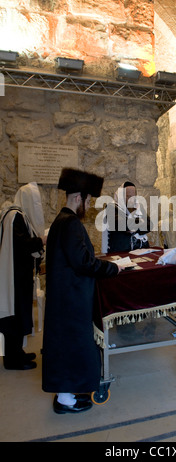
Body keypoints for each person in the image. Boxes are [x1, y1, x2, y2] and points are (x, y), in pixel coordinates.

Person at [42, 168, 121, 414]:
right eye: (88, 201)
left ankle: (66, 395)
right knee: (71, 347)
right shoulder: (71, 223)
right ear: (79, 198)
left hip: (64, 296)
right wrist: (112, 268)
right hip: (71, 299)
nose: (88, 205)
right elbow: (83, 263)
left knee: (65, 346)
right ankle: (65, 401)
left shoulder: (60, 221)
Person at [0, 182, 46, 370]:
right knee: (15, 315)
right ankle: (12, 360)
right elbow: (21, 244)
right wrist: (41, 241)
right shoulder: (14, 216)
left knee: (21, 314)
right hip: (14, 277)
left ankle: (18, 352)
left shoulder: (19, 216)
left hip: (20, 275)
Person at [102, 181, 152, 253]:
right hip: (121, 252)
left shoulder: (138, 206)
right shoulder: (111, 208)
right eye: (129, 196)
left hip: (141, 251)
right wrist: (141, 222)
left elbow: (150, 225)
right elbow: (125, 226)